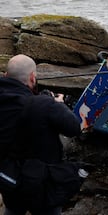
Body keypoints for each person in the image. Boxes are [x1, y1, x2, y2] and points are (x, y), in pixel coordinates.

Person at [0, 54, 82, 215]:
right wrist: (58, 104)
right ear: (32, 77)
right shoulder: (44, 105)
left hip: (8, 176)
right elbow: (74, 128)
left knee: (12, 209)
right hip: (41, 181)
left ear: (5, 75)